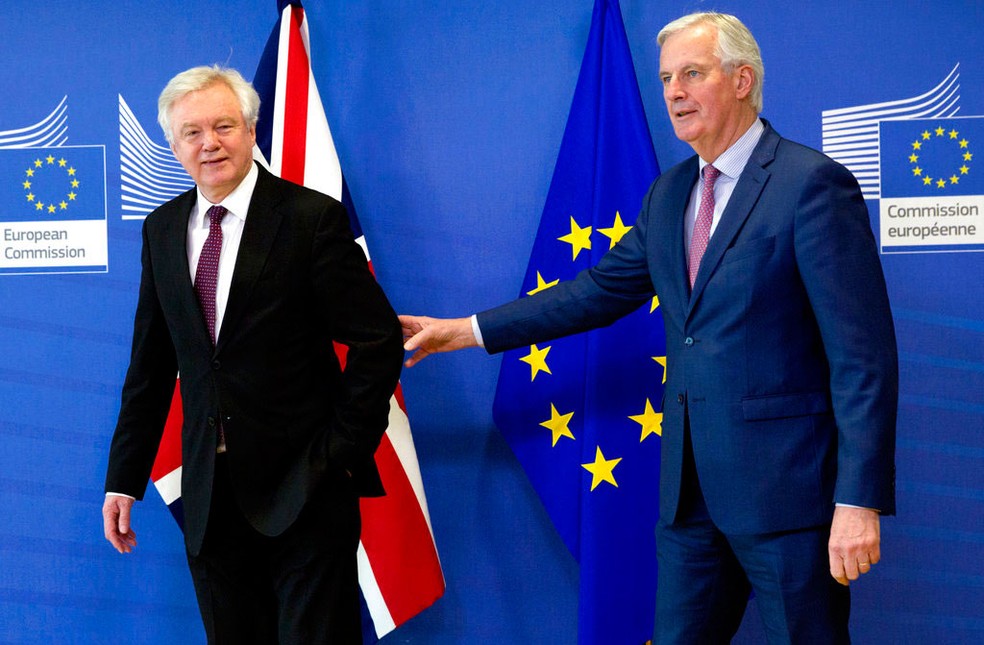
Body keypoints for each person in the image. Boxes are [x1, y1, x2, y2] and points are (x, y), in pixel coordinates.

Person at [400, 11, 897, 643]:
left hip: (788, 503)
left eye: (692, 74)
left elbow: (863, 359)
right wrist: (464, 330)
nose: (674, 93)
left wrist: (858, 501)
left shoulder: (810, 186)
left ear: (742, 80)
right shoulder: (668, 196)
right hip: (688, 503)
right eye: (666, 79)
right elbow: (594, 293)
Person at [102, 65, 404, 644]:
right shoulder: (161, 230)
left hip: (307, 488)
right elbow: (150, 365)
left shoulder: (310, 219)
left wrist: (338, 452)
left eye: (223, 126)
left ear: (251, 131)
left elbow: (377, 339)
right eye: (192, 132)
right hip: (211, 497)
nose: (209, 143)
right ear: (173, 144)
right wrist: (124, 478)